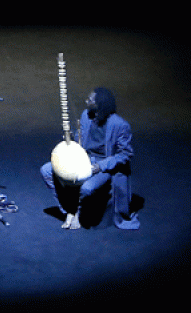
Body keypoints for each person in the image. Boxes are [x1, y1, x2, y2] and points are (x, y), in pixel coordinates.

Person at [40, 87, 139, 230]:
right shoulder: (86, 115)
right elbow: (81, 137)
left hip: (104, 164)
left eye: (90, 100)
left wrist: (99, 167)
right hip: (84, 158)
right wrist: (71, 138)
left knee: (86, 188)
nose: (87, 101)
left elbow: (125, 154)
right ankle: (69, 211)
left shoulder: (120, 125)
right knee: (46, 170)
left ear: (100, 104)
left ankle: (78, 215)